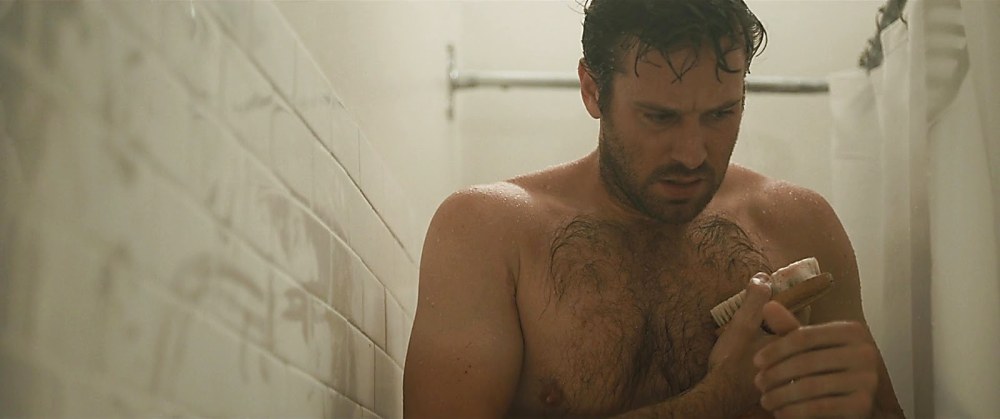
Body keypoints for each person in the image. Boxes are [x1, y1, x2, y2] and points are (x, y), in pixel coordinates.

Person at [403, 0, 905, 417]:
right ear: (592, 90)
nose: (692, 154)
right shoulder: (490, 234)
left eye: (721, 113)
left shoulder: (800, 226)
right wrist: (720, 398)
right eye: (659, 117)